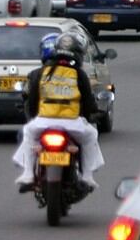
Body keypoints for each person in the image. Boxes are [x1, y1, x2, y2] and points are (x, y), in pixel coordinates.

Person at [13, 33, 104, 191]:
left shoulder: (41, 72)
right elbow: (88, 102)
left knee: (28, 133)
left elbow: (33, 99)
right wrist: (93, 115)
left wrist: (35, 117)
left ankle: (28, 173)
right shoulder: (79, 74)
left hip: (44, 121)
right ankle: (87, 177)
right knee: (91, 135)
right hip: (73, 123)